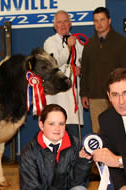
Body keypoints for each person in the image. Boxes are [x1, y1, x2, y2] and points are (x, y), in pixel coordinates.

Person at [80, 7, 126, 134]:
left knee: (119, 132)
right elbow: (85, 71)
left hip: (118, 96)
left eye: (102, 20)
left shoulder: (122, 43)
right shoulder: (89, 45)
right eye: (96, 21)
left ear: (109, 21)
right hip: (95, 98)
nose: (99, 24)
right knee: (99, 133)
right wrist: (84, 93)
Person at [44, 10, 84, 139]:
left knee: (73, 134)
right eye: (59, 22)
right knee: (56, 132)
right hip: (58, 96)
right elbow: (54, 62)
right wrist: (67, 48)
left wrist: (80, 70)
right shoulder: (50, 42)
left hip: (73, 95)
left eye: (65, 21)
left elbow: (84, 63)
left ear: (70, 24)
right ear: (54, 26)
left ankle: (74, 159)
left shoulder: (78, 42)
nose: (62, 25)